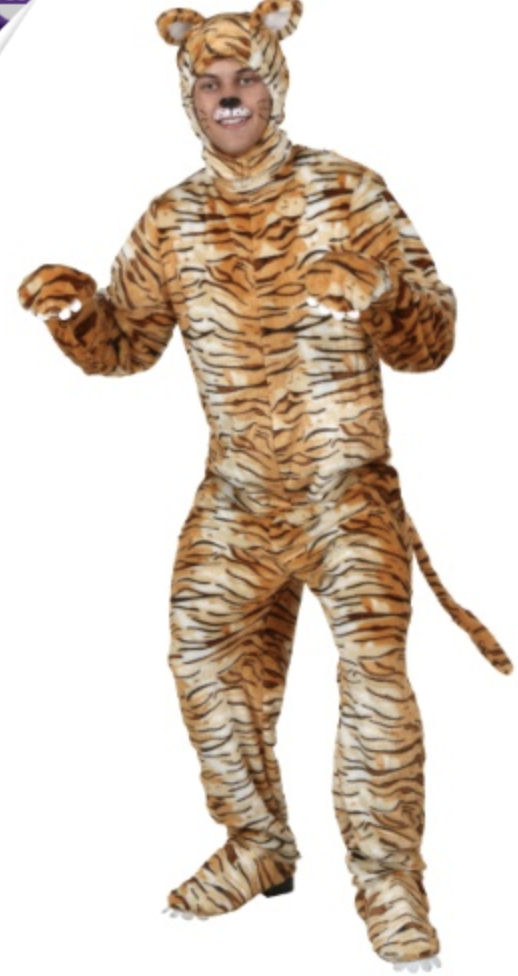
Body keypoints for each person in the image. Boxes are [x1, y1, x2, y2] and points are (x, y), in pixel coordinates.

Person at [17, 2, 512, 970]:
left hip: (346, 492)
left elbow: (434, 341)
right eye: (209, 83)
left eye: (243, 77)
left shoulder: (347, 190)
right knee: (201, 656)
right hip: (239, 496)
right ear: (188, 96)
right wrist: (77, 314)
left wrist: (379, 292)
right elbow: (128, 345)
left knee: (372, 682)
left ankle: (388, 881)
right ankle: (258, 844)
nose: (228, 96)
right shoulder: (172, 218)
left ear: (274, 83)